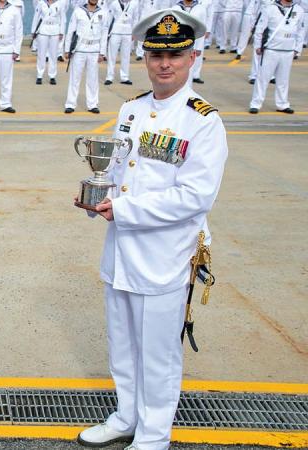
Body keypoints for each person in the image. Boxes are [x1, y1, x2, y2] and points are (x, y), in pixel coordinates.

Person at [76, 9, 228, 450]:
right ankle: (126, 416)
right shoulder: (131, 109)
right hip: (122, 249)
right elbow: (118, 171)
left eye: (175, 55)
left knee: (158, 354)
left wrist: (122, 209)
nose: (165, 63)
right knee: (122, 344)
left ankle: (154, 435)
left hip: (166, 255)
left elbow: (195, 197)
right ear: (144, 55)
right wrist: (95, 199)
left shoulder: (202, 120)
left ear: (193, 57)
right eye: (157, 53)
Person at [248, 0, 304, 114]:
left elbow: (301, 30)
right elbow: (260, 29)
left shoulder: (299, 10)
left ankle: (282, 104)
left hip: (288, 50)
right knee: (262, 78)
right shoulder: (270, 8)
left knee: (283, 80)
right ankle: (256, 104)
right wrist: (258, 46)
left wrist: (297, 49)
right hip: (271, 50)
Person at [63, 0, 108, 114]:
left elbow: (104, 34)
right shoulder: (78, 11)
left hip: (94, 49)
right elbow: (71, 30)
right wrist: (67, 49)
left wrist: (102, 53)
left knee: (93, 79)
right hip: (79, 49)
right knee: (75, 78)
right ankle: (70, 104)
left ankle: (92, 104)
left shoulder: (103, 13)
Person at [174, 0, 211, 84]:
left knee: (189, 71)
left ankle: (189, 86)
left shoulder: (200, 9)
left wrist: (199, 47)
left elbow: (202, 29)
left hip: (194, 42)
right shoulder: (176, 8)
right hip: (178, 43)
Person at [30, 0, 65, 85]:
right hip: (43, 30)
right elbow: (36, 17)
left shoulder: (59, 3)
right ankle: (39, 75)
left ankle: (52, 76)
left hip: (55, 30)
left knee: (53, 54)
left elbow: (62, 18)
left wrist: (61, 32)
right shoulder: (41, 3)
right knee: (41, 54)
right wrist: (33, 31)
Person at [104, 0, 139, 85]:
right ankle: (109, 77)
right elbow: (109, 19)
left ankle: (125, 77)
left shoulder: (134, 3)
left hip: (128, 31)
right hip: (116, 30)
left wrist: (134, 32)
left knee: (126, 55)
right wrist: (106, 32)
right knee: (112, 55)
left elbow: (135, 18)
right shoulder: (114, 3)